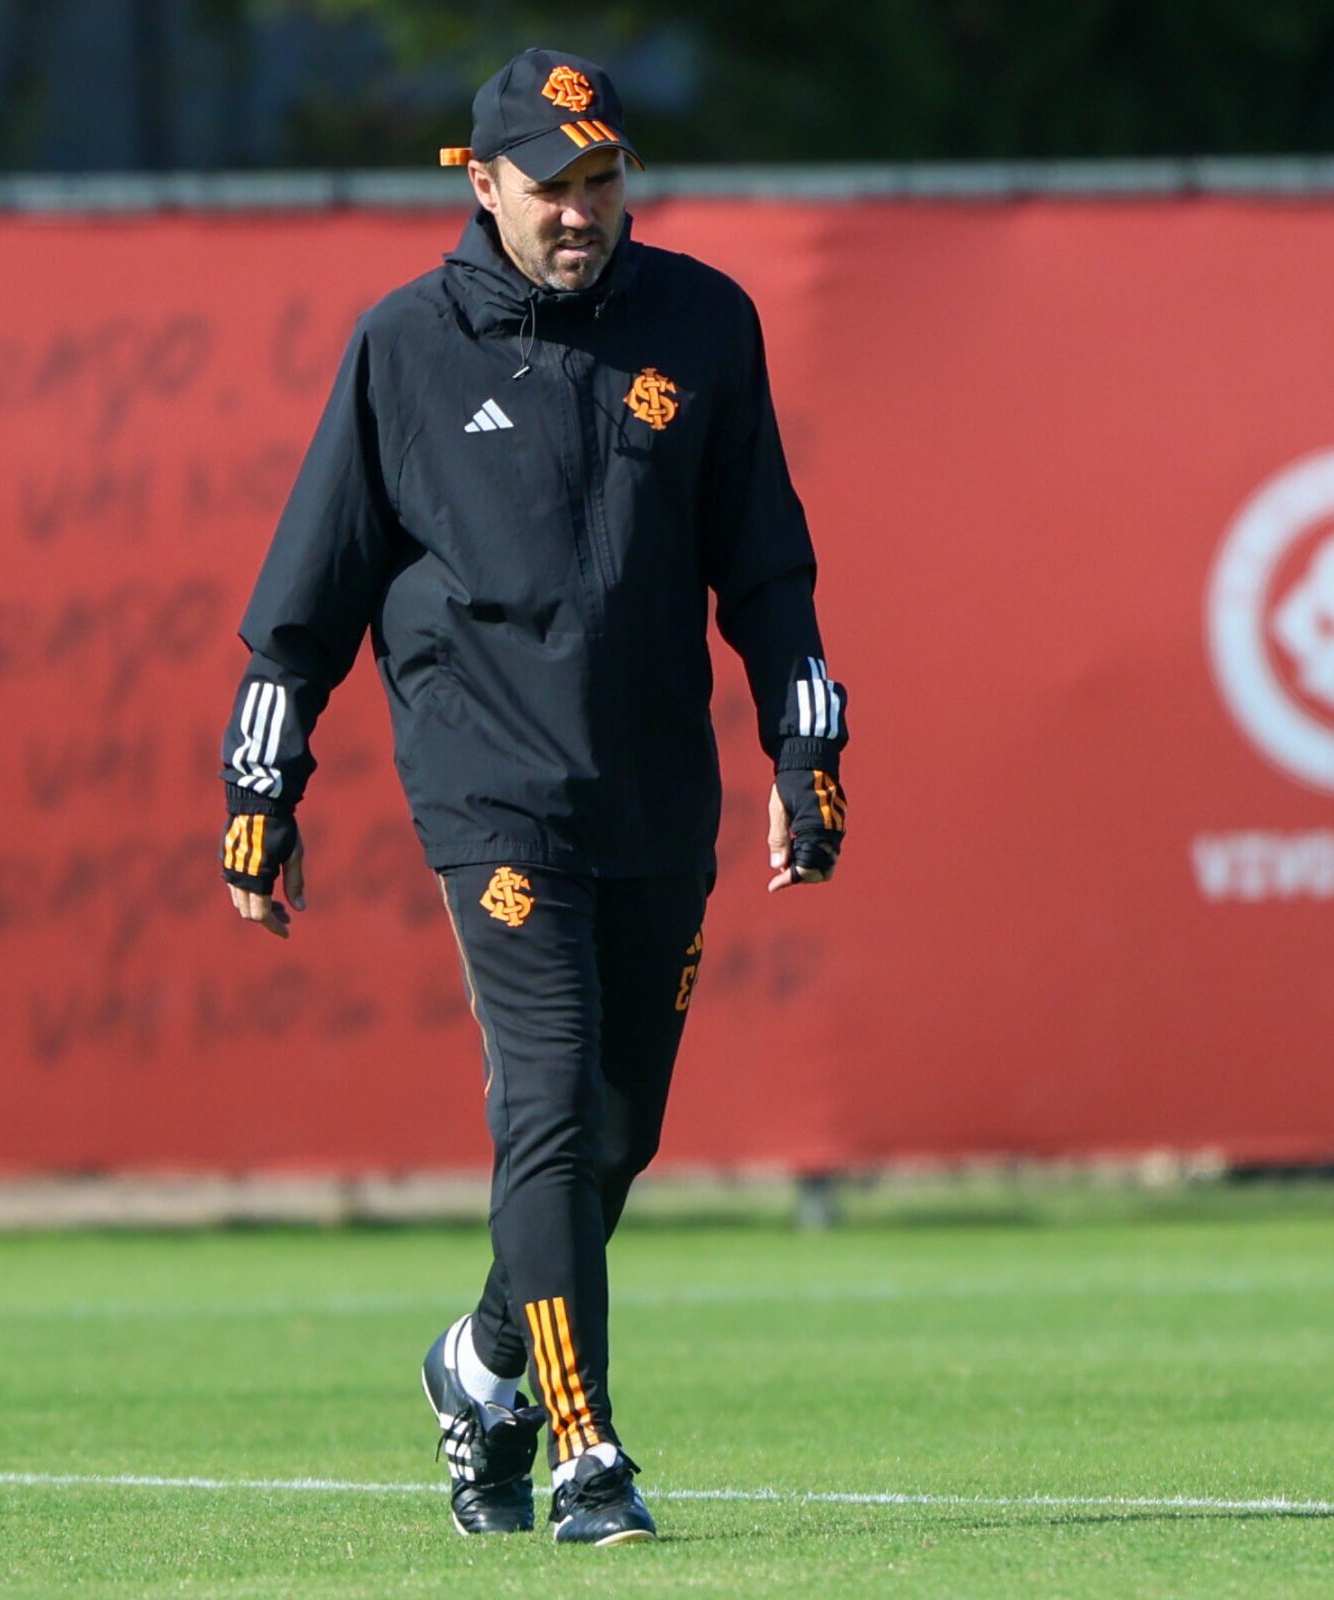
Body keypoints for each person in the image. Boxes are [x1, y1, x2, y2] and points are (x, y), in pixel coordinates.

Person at [217, 46, 849, 1547]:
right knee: (551, 1106)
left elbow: (765, 561)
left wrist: (803, 746)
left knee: (615, 1134)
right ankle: (584, 1453)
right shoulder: (405, 349)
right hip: (491, 793)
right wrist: (263, 781)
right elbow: (303, 599)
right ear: (481, 182)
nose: (579, 211)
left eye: (602, 179)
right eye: (550, 186)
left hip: (656, 796)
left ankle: (483, 1357)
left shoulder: (705, 321)